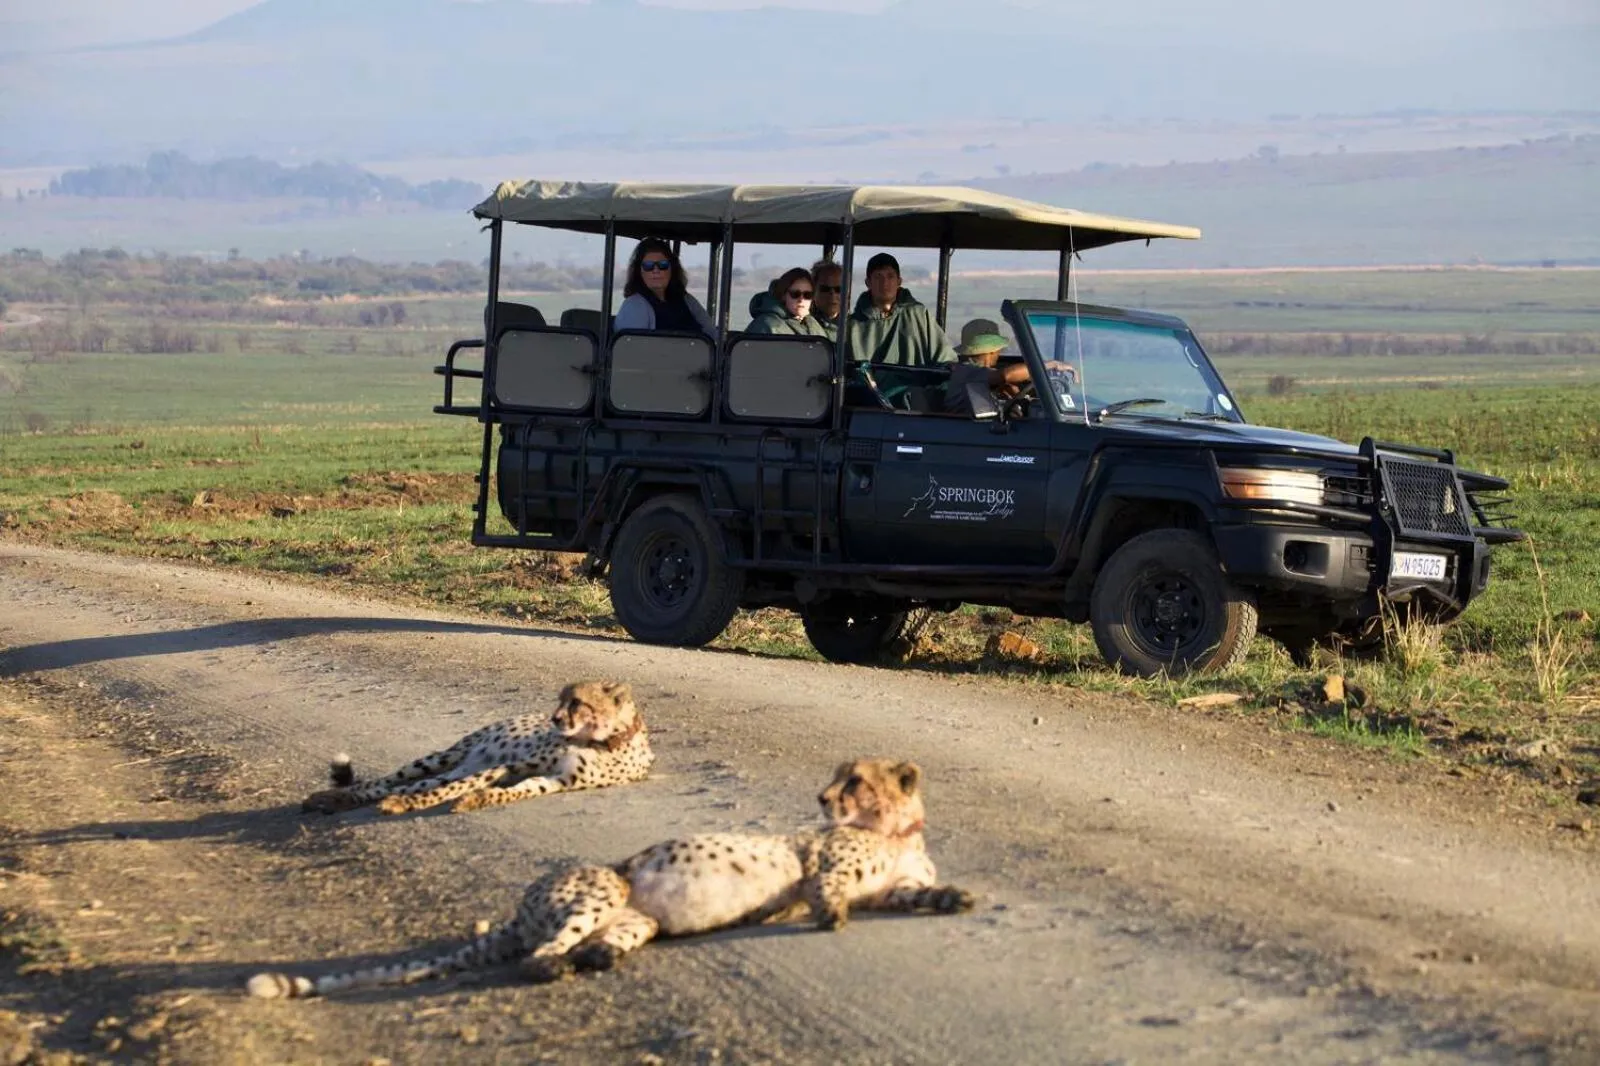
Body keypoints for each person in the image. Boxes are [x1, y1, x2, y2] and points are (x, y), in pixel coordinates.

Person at [943, 318, 1074, 417]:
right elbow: (1006, 375)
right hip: (967, 430)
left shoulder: (979, 374)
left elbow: (1003, 382)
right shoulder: (966, 370)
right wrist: (1050, 365)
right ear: (993, 350)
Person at [845, 252, 958, 367]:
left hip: (914, 384)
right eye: (878, 277)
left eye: (890, 276)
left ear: (899, 281)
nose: (884, 283)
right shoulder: (853, 327)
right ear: (868, 282)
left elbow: (944, 357)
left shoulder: (918, 315)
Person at [614, 238, 716, 339]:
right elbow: (631, 350)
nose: (656, 270)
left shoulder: (687, 300)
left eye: (663, 265)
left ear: (672, 269)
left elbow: (712, 336)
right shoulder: (634, 306)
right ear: (639, 271)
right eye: (648, 266)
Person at [746, 267, 835, 339]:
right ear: (784, 295)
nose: (801, 299)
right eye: (795, 294)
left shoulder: (813, 324)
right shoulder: (766, 326)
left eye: (807, 295)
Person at [810, 259, 844, 333]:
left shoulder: (854, 327)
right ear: (813, 290)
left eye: (838, 289)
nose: (832, 294)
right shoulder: (804, 325)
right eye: (825, 289)